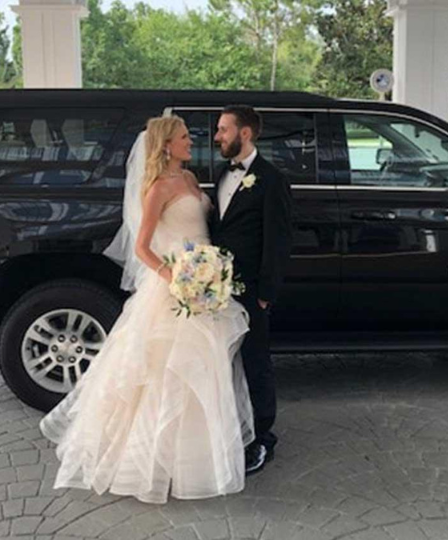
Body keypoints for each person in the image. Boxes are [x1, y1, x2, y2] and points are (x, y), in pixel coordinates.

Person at [39, 115, 254, 504]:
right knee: (165, 373)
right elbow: (141, 247)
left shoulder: (189, 179)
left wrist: (208, 273)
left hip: (205, 283)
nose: (192, 142)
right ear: (167, 145)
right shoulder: (156, 188)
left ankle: (197, 459)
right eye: (184, 137)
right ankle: (152, 462)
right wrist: (174, 277)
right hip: (174, 287)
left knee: (204, 368)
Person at [210, 105, 293, 474]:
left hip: (250, 290)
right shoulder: (221, 174)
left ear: (244, 133)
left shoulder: (272, 180)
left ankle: (262, 439)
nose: (217, 137)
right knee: (222, 364)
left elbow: (278, 240)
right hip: (215, 288)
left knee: (255, 363)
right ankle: (231, 431)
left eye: (223, 129)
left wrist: (265, 294)